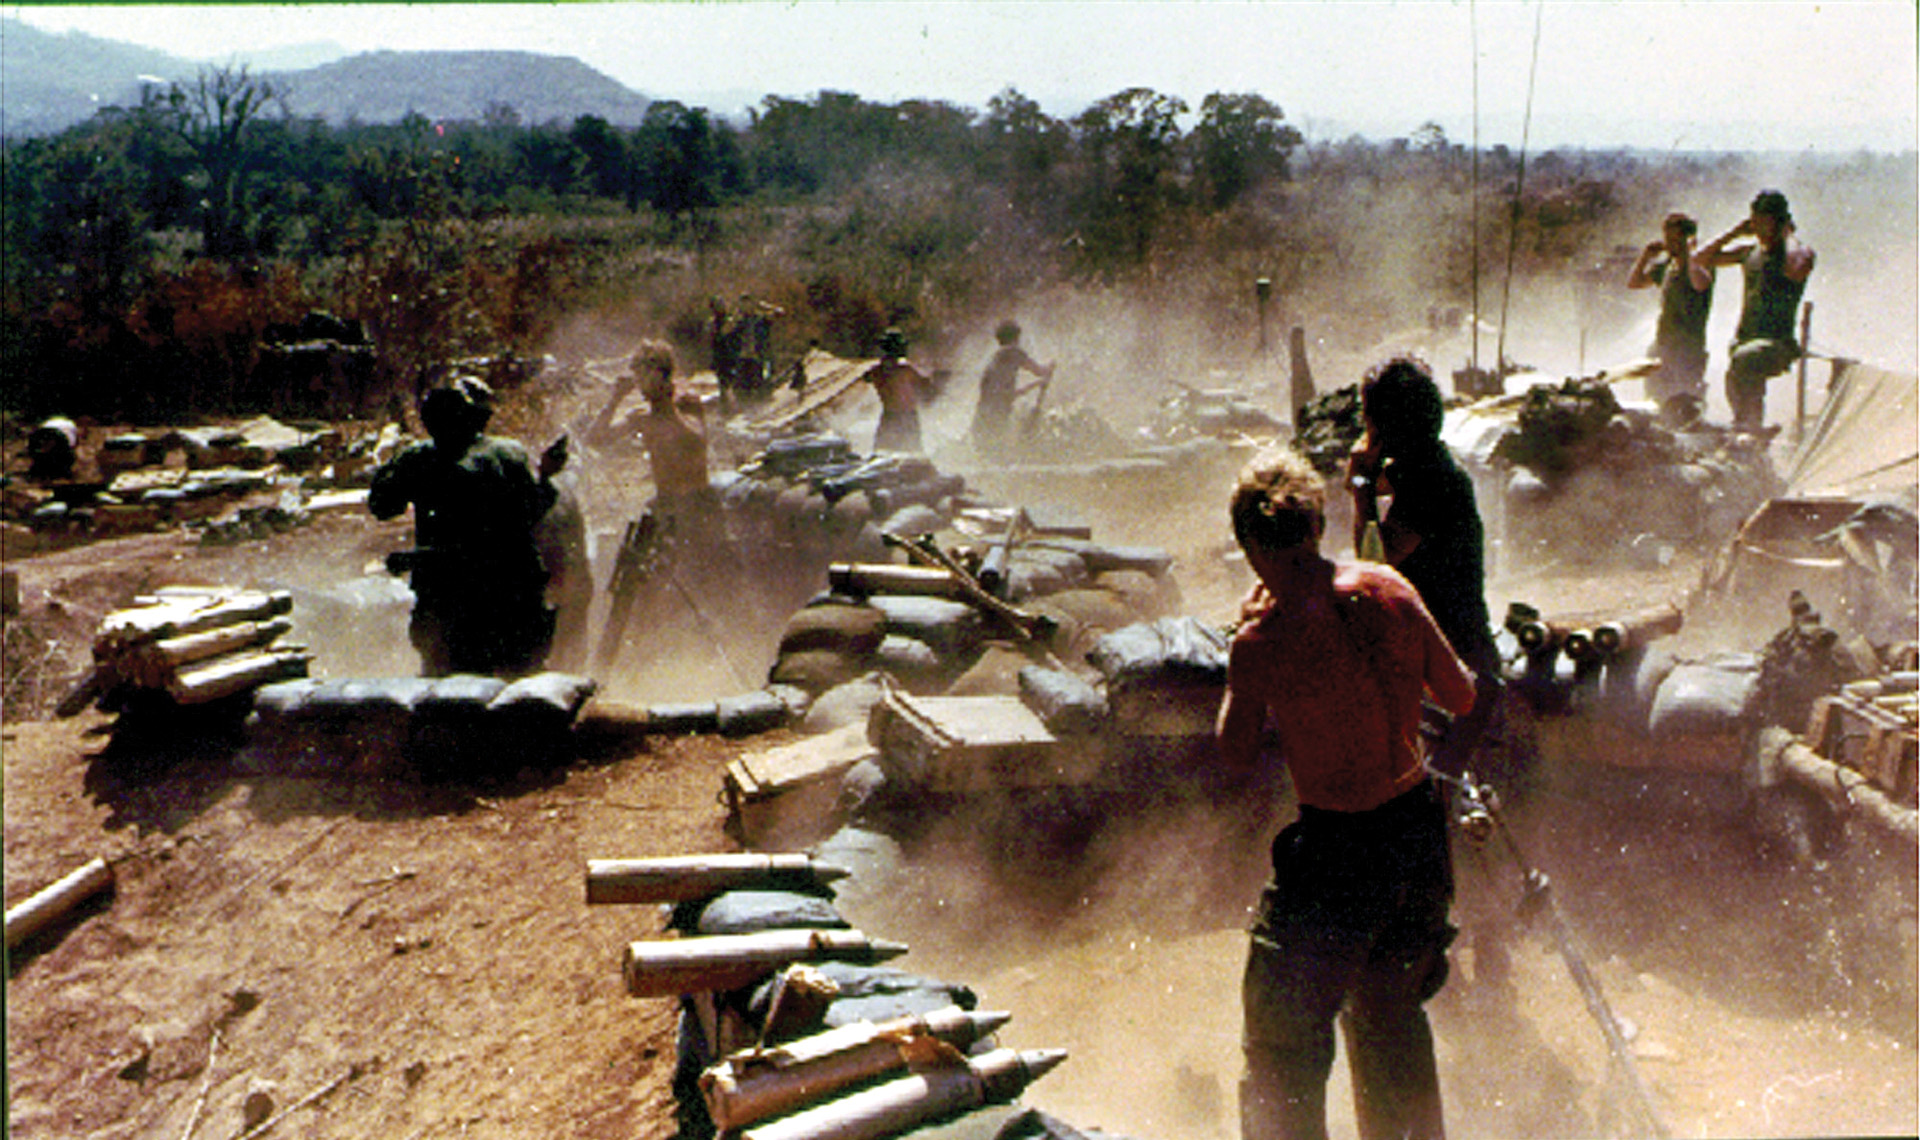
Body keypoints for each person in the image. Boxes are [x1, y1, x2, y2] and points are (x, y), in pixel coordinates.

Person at [1218, 444, 1476, 1140]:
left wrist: (1243, 648)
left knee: (1282, 1046)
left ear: (1248, 547)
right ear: (1317, 526)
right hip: (1417, 841)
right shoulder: (1391, 589)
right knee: (1390, 1019)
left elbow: (1235, 752)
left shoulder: (1261, 641)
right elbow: (1459, 692)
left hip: (1336, 854)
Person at [1347, 356, 1514, 994]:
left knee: (1440, 818)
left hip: (1456, 681)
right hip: (1455, 672)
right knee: (1454, 818)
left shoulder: (1424, 482)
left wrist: (1360, 492)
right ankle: (1480, 954)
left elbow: (1375, 564)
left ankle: (1449, 952)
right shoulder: (1432, 472)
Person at [370, 376, 557, 677]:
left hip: (457, 607)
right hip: (516, 601)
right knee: (520, 694)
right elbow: (532, 512)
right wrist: (546, 478)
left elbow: (382, 506)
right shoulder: (510, 453)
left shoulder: (423, 459)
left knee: (453, 699)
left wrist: (386, 464)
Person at [1694, 189, 1817, 432]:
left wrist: (1788, 234)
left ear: (1780, 221)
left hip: (1777, 343)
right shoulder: (1749, 253)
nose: (1759, 227)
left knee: (1745, 361)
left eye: (1765, 221)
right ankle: (1748, 429)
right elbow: (1699, 259)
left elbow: (1798, 268)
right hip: (1746, 340)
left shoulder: (1795, 252)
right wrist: (1735, 232)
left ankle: (1751, 429)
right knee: (1737, 379)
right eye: (1755, 220)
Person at [1625, 211, 1715, 427]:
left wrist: (1691, 256)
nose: (1671, 244)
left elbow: (1702, 283)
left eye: (1677, 239)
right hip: (1663, 342)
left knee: (1684, 402)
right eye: (1668, 239)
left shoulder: (1699, 266)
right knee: (1655, 397)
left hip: (1688, 346)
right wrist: (1645, 256)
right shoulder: (1666, 267)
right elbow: (1634, 282)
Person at [969, 320, 1054, 457]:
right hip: (997, 416)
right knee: (999, 456)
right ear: (1016, 337)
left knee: (988, 457)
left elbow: (1008, 394)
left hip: (982, 415)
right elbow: (1040, 371)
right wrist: (1050, 366)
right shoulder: (1013, 352)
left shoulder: (996, 358)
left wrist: (1037, 383)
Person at [862, 327, 936, 454]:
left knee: (884, 453)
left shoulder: (876, 371)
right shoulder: (906, 371)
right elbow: (927, 389)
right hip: (907, 418)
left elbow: (867, 377)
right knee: (912, 454)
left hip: (888, 417)